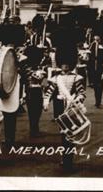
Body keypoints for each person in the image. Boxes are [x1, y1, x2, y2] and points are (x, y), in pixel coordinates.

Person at [42, 40, 86, 171]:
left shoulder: (76, 77)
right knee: (63, 135)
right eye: (63, 64)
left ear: (71, 64)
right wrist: (46, 102)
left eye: (67, 65)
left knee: (70, 134)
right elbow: (49, 91)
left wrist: (76, 100)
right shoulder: (56, 78)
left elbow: (82, 93)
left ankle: (68, 160)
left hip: (71, 108)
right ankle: (66, 158)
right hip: (60, 107)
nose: (65, 67)